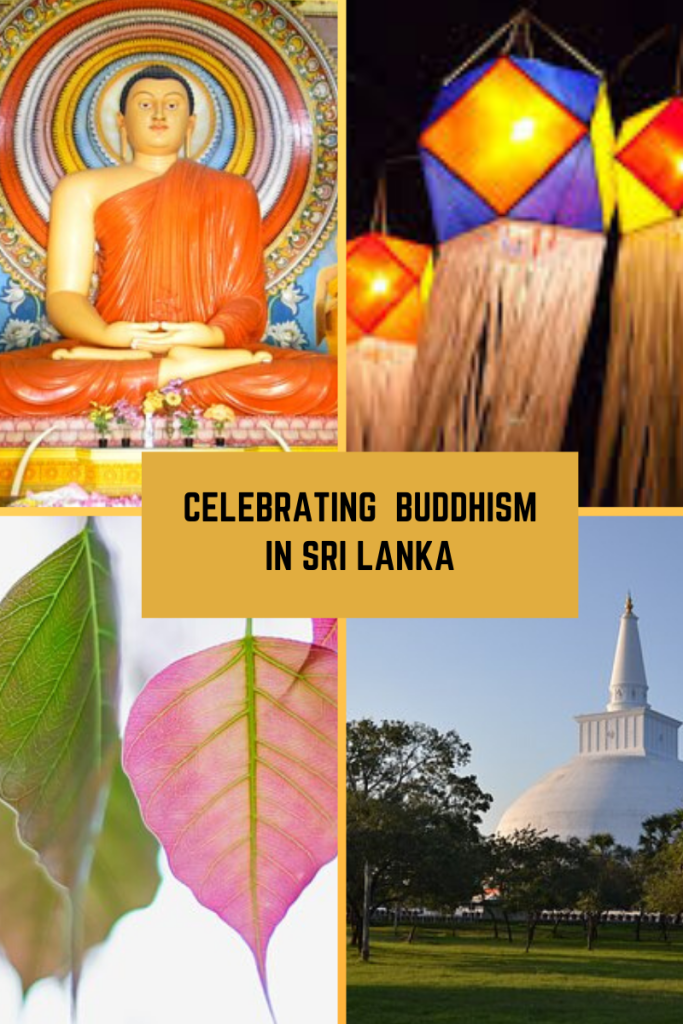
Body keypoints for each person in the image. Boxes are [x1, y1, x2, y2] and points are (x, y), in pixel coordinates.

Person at [0, 65, 336, 417]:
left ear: (190, 124)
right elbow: (64, 296)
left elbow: (246, 299)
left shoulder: (234, 191)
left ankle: (169, 370)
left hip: (206, 353)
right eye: (145, 105)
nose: (159, 114)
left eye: (172, 105)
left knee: (331, 379)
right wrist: (107, 335)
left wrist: (210, 336)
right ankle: (174, 372)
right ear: (121, 122)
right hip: (116, 352)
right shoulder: (81, 188)